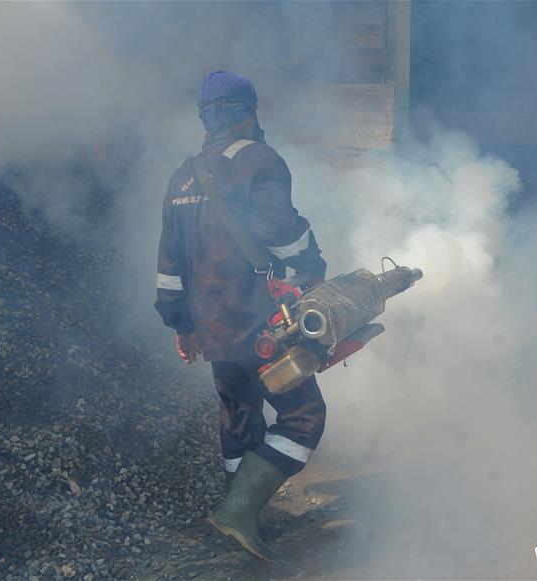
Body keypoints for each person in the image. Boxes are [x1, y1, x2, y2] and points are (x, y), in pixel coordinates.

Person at [154, 71, 328, 562]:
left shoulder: (182, 173)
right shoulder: (258, 159)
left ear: (206, 119)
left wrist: (182, 324)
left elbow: (169, 261)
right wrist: (313, 270)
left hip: (211, 328)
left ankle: (243, 514)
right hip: (258, 321)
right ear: (248, 112)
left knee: (240, 419)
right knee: (303, 418)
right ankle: (237, 511)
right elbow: (282, 231)